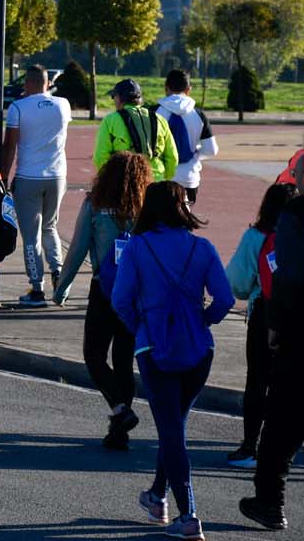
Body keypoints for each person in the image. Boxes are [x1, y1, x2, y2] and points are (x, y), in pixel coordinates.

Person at [111, 181, 233, 541]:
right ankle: (157, 496)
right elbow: (224, 298)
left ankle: (188, 514)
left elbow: (120, 300)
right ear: (182, 208)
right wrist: (202, 321)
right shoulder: (202, 247)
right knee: (174, 424)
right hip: (199, 350)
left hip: (154, 348)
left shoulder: (137, 247)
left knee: (171, 429)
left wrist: (142, 328)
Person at [53, 151, 150, 450]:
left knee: (94, 356)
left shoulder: (96, 204)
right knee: (123, 360)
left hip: (104, 288)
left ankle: (120, 409)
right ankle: (119, 431)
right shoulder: (146, 209)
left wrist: (62, 288)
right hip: (135, 292)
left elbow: (79, 248)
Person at [242, 157, 304, 532]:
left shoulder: (296, 214)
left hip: (299, 335)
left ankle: (269, 502)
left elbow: (289, 277)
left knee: (280, 427)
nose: (294, 176)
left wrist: (275, 327)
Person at [223, 182, 297, 470]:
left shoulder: (256, 237)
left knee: (257, 382)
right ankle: (284, 450)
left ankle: (249, 447)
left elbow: (237, 285)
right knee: (290, 385)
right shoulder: (298, 234)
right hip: (297, 314)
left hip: (264, 313)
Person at [0, 63, 71, 307]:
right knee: (50, 227)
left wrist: (3, 176)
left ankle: (37, 288)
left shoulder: (18, 107)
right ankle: (59, 273)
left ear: (27, 83)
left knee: (31, 236)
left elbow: (9, 145)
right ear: (47, 82)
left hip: (29, 175)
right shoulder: (63, 105)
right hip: (57, 175)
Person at [95, 78, 178, 182]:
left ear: (120, 98)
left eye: (114, 97)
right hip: (155, 180)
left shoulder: (110, 120)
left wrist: (109, 180)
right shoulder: (159, 119)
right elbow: (172, 157)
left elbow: (101, 156)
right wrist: (164, 177)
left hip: (124, 181)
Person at [157, 70, 219, 203]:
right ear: (188, 89)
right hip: (189, 178)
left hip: (161, 177)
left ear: (166, 87)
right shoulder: (199, 115)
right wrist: (194, 154)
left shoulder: (154, 112)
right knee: (185, 219)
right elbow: (211, 150)